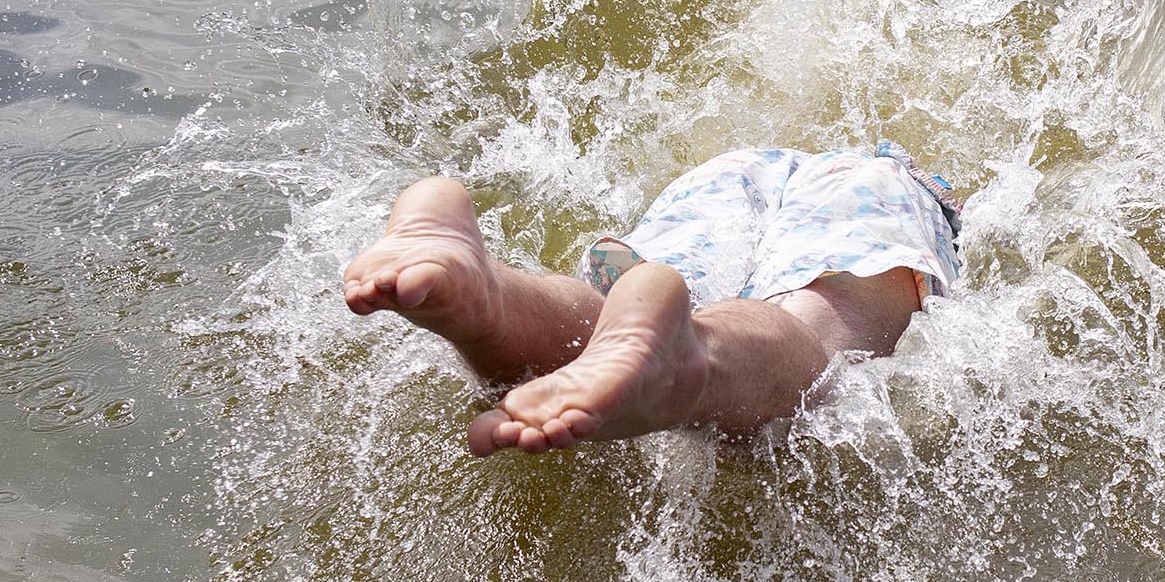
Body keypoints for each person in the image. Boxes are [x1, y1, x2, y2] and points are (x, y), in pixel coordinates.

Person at [341, 143, 963, 456]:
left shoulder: (752, 156)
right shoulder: (899, 179)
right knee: (816, 327)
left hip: (730, 173)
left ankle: (491, 297)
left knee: (598, 307)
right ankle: (691, 361)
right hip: (877, 186)